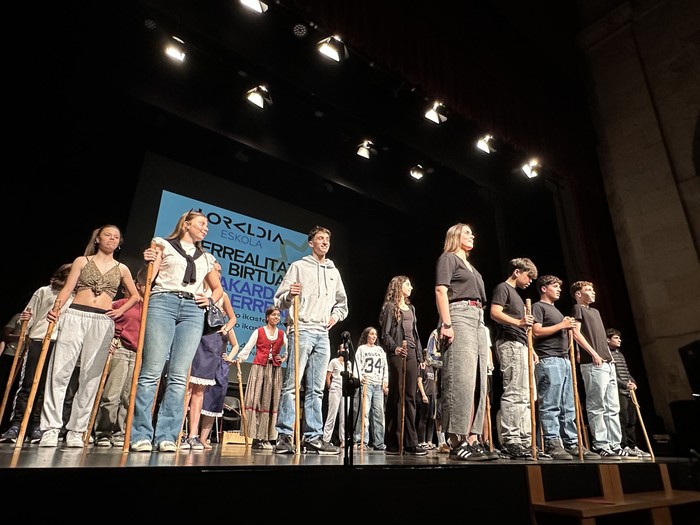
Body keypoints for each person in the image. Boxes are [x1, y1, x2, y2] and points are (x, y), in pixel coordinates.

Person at [129, 210, 224, 453]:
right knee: (151, 372)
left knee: (179, 375)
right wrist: (147, 263)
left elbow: (218, 290)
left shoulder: (206, 258)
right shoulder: (163, 244)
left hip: (193, 310)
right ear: (186, 224)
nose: (206, 228)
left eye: (207, 226)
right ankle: (140, 434)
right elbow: (146, 281)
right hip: (163, 302)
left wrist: (209, 300)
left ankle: (167, 436)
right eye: (201, 223)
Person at [39, 225, 140, 448]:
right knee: (59, 372)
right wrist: (56, 308)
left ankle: (77, 429)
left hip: (102, 320)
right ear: (98, 239)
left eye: (116, 237)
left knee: (90, 376)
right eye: (107, 235)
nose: (112, 239)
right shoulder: (82, 261)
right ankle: (51, 428)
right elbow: (67, 289)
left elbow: (135, 296)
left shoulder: (122, 268)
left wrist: (120, 311)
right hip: (75, 315)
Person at [273, 225, 348, 455]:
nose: (325, 242)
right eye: (320, 238)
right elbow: (279, 301)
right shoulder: (299, 267)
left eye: (327, 239)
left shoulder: (334, 272)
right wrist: (289, 294)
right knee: (292, 386)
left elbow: (342, 304)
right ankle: (284, 436)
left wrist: (335, 317)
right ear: (311, 243)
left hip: (322, 333)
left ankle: (313, 437)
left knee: (316, 389)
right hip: (301, 329)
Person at [0, 264, 73, 444]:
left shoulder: (75, 297)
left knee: (46, 386)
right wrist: (26, 324)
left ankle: (36, 425)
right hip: (39, 339)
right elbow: (29, 314)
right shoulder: (44, 291)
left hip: (60, 342)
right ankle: (17, 424)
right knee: (28, 382)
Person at [434, 223, 488, 461]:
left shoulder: (472, 268)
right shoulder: (448, 258)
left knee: (478, 380)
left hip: (478, 318)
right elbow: (441, 290)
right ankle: (456, 439)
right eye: (467, 232)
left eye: (471, 232)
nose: (472, 235)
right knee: (460, 377)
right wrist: (446, 324)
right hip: (459, 314)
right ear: (455, 235)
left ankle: (473, 437)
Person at [531, 275, 598, 460]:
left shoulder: (556, 310)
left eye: (559, 287)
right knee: (551, 404)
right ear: (544, 289)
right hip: (549, 359)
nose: (559, 289)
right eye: (555, 286)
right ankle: (552, 442)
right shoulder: (538, 307)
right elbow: (536, 331)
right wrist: (562, 325)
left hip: (563, 359)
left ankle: (571, 442)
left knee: (567, 405)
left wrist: (567, 328)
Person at [570, 281, 630, 459]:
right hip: (593, 363)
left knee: (613, 406)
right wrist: (593, 353)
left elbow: (601, 337)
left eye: (593, 289)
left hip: (607, 363)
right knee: (597, 405)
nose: (593, 292)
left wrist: (610, 358)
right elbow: (576, 333)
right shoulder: (577, 308)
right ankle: (601, 444)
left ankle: (615, 444)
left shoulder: (595, 312)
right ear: (578, 294)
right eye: (588, 290)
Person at [183, 262, 237, 451]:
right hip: (192, 338)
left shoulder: (222, 295)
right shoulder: (195, 288)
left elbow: (233, 318)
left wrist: (225, 329)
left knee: (199, 391)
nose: (217, 273)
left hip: (210, 344)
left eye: (219, 271)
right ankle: (177, 434)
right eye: (214, 270)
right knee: (186, 389)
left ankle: (193, 435)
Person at [489, 257, 538, 460]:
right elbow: (494, 312)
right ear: (517, 272)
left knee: (526, 395)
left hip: (521, 344)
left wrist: (531, 349)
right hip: (509, 343)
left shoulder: (517, 295)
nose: (530, 281)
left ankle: (524, 439)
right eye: (528, 276)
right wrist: (518, 322)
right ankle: (511, 439)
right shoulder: (504, 288)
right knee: (515, 392)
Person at [93, 267, 147, 448]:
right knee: (112, 394)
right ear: (138, 286)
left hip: (138, 354)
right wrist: (109, 341)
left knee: (128, 397)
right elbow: (106, 322)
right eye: (145, 285)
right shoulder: (122, 304)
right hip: (121, 348)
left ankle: (120, 432)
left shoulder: (151, 308)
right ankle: (103, 432)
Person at [379, 275, 427, 456]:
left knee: (410, 397)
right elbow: (385, 335)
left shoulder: (411, 308)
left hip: (412, 354)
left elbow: (415, 334)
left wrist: (420, 355)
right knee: (397, 397)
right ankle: (394, 442)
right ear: (399, 286)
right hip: (398, 354)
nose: (411, 287)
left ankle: (411, 442)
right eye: (408, 284)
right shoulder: (391, 307)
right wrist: (396, 348)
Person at [230, 305, 287, 450]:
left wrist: (284, 358)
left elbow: (290, 349)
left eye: (278, 315)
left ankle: (267, 438)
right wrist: (241, 358)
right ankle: (256, 437)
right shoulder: (259, 331)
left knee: (270, 402)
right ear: (267, 317)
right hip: (259, 369)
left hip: (274, 371)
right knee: (257, 401)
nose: (276, 317)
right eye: (273, 315)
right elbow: (248, 347)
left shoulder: (281, 334)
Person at [606, 328, 652, 458]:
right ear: (608, 340)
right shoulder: (607, 354)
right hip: (618, 391)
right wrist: (624, 384)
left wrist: (633, 382)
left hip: (628, 391)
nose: (619, 340)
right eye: (616, 338)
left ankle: (632, 446)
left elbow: (626, 372)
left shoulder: (620, 354)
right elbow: (611, 375)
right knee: (623, 419)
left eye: (619, 338)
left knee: (632, 419)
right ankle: (623, 445)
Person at [198, 325, 239, 449]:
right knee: (197, 398)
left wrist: (229, 357)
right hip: (204, 361)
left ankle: (203, 438)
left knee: (213, 402)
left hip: (219, 366)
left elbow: (235, 345)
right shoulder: (207, 321)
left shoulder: (228, 326)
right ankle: (191, 435)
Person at [353, 326, 388, 450]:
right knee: (364, 413)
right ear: (366, 335)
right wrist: (359, 377)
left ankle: (379, 442)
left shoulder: (380, 350)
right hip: (366, 384)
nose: (374, 336)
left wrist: (385, 380)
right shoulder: (361, 349)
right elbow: (357, 364)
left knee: (379, 414)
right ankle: (361, 441)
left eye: (375, 334)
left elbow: (385, 366)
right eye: (372, 334)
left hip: (378, 385)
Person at [322, 343, 350, 446]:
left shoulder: (348, 364)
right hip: (335, 389)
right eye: (343, 348)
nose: (345, 350)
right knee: (332, 415)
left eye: (346, 348)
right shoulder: (333, 361)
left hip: (345, 391)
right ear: (339, 350)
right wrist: (330, 387)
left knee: (344, 417)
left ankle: (343, 440)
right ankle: (326, 439)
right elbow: (328, 377)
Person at [416, 351, 437, 450]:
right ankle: (421, 441)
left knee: (431, 419)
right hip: (424, 395)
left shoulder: (432, 368)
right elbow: (419, 381)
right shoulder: (422, 366)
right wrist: (423, 395)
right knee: (423, 418)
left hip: (432, 396)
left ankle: (429, 441)